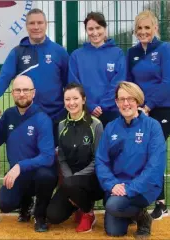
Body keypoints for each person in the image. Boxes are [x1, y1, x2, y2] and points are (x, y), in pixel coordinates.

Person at [0, 8, 68, 222]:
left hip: (53, 119)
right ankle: (26, 200)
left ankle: (50, 206)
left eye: (40, 23)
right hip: (26, 117)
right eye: (32, 23)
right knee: (26, 162)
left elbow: (68, 84)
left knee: (51, 166)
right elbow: (4, 78)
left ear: (46, 24)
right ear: (26, 26)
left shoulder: (59, 51)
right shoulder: (18, 52)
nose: (36, 27)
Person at [0, 75, 58, 232]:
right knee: (4, 205)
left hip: (39, 172)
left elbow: (48, 157)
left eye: (26, 90)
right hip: (19, 174)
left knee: (46, 176)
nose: (22, 93)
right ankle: (25, 203)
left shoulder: (42, 118)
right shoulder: (8, 115)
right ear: (12, 93)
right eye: (18, 90)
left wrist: (20, 165)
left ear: (33, 93)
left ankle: (40, 216)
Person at [96, 81, 166, 238]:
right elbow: (101, 160)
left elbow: (155, 166)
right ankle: (133, 213)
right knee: (114, 231)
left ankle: (143, 218)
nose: (126, 103)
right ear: (116, 102)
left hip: (143, 188)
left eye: (130, 99)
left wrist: (130, 188)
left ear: (138, 101)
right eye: (121, 99)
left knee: (114, 206)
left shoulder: (152, 126)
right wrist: (112, 184)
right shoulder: (111, 127)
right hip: (117, 187)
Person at [126, 10, 170, 220]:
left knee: (154, 152)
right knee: (141, 153)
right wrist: (135, 105)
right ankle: (144, 201)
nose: (143, 32)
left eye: (147, 27)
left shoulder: (165, 49)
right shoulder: (132, 53)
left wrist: (148, 106)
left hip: (162, 108)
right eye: (140, 28)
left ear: (155, 28)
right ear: (135, 31)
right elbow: (129, 83)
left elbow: (168, 83)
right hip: (141, 109)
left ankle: (161, 204)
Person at [46, 83, 104, 233]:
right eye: (67, 99)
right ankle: (78, 204)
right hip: (69, 181)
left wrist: (73, 181)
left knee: (72, 184)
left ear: (83, 100)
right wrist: (69, 181)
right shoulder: (61, 125)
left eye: (75, 98)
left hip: (92, 180)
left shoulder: (95, 125)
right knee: (53, 216)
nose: (71, 103)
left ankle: (88, 212)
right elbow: (62, 158)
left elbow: (98, 160)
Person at [68, 12, 126, 128]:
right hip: (85, 112)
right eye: (90, 29)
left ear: (104, 28)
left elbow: (119, 82)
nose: (95, 33)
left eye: (98, 28)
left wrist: (103, 106)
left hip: (112, 112)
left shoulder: (117, 53)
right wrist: (89, 105)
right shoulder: (77, 56)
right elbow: (73, 84)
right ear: (86, 30)